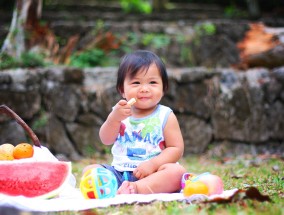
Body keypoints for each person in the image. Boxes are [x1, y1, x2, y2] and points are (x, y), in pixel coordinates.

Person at [84, 50, 186, 194]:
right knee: (90, 171)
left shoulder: (165, 115)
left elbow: (176, 149)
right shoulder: (119, 112)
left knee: (177, 172)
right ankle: (120, 188)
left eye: (152, 82)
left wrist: (152, 164)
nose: (144, 89)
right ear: (122, 90)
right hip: (119, 173)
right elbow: (106, 139)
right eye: (136, 82)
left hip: (153, 174)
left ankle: (138, 188)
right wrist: (114, 118)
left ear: (163, 88)